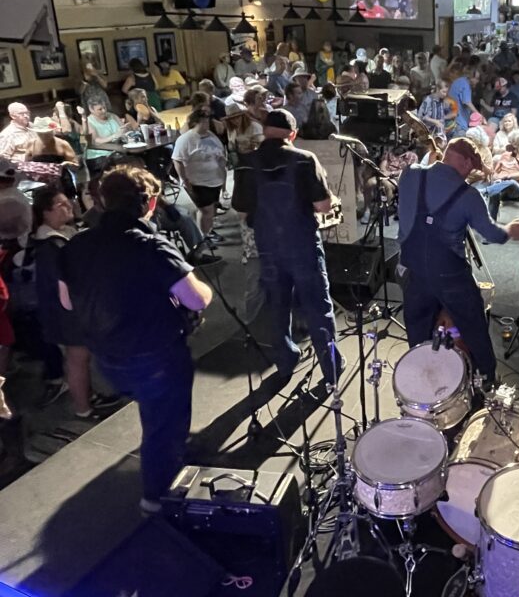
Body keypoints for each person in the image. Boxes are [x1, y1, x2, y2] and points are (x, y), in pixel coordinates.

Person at [58, 166, 212, 512]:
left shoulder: (76, 244)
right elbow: (196, 299)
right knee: (163, 426)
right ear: (149, 204)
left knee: (156, 418)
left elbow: (67, 302)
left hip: (108, 356)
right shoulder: (151, 246)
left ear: (101, 201)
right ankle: (157, 499)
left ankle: (170, 458)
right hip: (155, 356)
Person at [397, 138, 519, 378]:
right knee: (473, 323)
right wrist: (511, 230)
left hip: (412, 269)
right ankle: (487, 377)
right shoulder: (469, 196)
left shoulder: (410, 175)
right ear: (465, 161)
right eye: (471, 167)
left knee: (417, 326)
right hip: (449, 275)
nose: (470, 173)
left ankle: (421, 378)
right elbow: (492, 234)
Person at [232, 110, 342, 382]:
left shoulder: (246, 162)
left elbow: (243, 211)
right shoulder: (305, 159)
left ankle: (285, 361)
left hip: (268, 246)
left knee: (277, 306)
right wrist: (335, 202)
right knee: (318, 307)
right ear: (292, 135)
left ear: (265, 130)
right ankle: (330, 369)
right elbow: (323, 205)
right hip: (302, 246)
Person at [32, 188, 118, 419]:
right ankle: (83, 408)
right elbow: (65, 286)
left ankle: (89, 396)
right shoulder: (51, 246)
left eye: (66, 201)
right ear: (45, 213)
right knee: (77, 359)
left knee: (81, 357)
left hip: (71, 311)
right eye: (59, 205)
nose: (68, 205)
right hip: (68, 314)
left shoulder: (62, 236)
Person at [172, 108, 226, 237]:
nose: (207, 124)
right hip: (197, 182)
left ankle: (206, 231)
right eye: (204, 121)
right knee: (206, 210)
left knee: (211, 209)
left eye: (207, 121)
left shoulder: (211, 136)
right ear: (195, 122)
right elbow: (177, 160)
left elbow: (220, 153)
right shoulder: (186, 139)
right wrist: (184, 179)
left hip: (214, 179)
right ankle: (204, 236)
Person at [486, 129, 519, 221]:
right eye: (510, 142)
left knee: (511, 182)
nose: (509, 144)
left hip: (517, 189)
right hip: (502, 188)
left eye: (512, 142)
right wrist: (497, 178)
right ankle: (490, 222)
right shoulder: (504, 155)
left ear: (518, 143)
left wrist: (508, 177)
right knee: (495, 191)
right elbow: (495, 173)